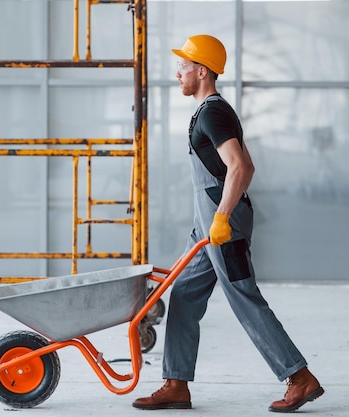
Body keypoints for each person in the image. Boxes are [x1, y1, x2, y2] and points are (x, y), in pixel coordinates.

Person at [132, 34, 324, 413]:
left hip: (223, 224)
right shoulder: (207, 112)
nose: (178, 73)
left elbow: (242, 167)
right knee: (184, 293)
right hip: (208, 224)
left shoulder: (213, 113)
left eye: (184, 67)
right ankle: (176, 384)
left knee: (243, 297)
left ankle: (300, 378)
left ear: (201, 71)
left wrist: (221, 217)